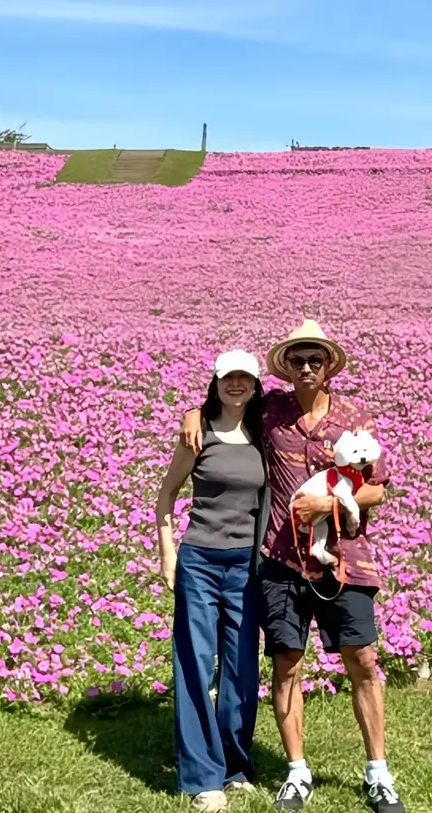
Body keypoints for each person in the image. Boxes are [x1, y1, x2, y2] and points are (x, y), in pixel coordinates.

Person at [182, 320, 403, 813]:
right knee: (286, 665)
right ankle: (296, 772)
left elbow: (378, 489)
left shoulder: (353, 417)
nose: (306, 367)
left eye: (315, 360)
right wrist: (193, 412)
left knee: (363, 661)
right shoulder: (271, 411)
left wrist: (328, 506)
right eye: (297, 360)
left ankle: (378, 774)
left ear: (328, 368)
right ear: (286, 367)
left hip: (345, 561)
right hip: (283, 562)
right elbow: (226, 405)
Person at [158, 350, 268, 813]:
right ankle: (202, 777)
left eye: (245, 378)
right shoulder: (197, 432)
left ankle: (234, 766)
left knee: (242, 667)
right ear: (216, 383)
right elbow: (166, 493)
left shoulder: (265, 433)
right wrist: (168, 554)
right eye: (228, 377)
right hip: (200, 560)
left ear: (256, 386)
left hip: (246, 566)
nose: (236, 384)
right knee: (195, 664)